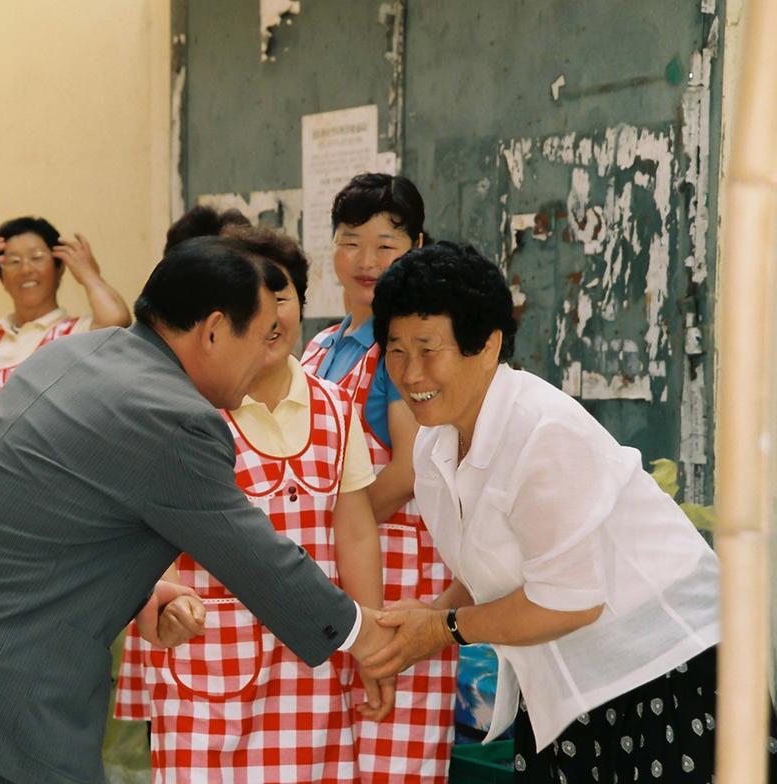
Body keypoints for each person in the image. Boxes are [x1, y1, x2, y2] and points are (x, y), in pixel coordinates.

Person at [0, 236, 397, 784]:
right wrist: (372, 639)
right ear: (215, 329)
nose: (269, 353)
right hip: (9, 692)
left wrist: (142, 590)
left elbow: (44, 518)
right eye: (261, 335)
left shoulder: (77, 355)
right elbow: (260, 560)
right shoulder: (174, 415)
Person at [365, 241, 776, 783]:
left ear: (487, 346)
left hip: (664, 676)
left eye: (428, 349)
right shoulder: (435, 446)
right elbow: (498, 558)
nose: (410, 373)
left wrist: (441, 628)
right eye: (396, 350)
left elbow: (569, 602)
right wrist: (429, 618)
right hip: (572, 694)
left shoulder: (542, 433)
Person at [115, 224, 384, 782]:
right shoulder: (187, 411)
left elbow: (354, 532)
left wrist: (372, 643)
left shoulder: (335, 410)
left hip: (313, 670)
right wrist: (166, 601)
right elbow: (147, 531)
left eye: (281, 297)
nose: (270, 318)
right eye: (252, 303)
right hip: (209, 668)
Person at [300, 172, 456, 781]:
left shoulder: (406, 347)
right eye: (350, 240)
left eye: (386, 244)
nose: (366, 260)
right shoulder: (319, 347)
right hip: (332, 576)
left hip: (394, 574)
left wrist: (341, 527)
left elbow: (412, 464)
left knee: (391, 752)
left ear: (416, 246)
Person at [0, 216, 131, 429]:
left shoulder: (76, 332)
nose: (26, 269)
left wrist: (89, 274)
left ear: (60, 270)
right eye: (13, 261)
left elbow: (116, 320)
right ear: (1, 278)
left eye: (37, 258)